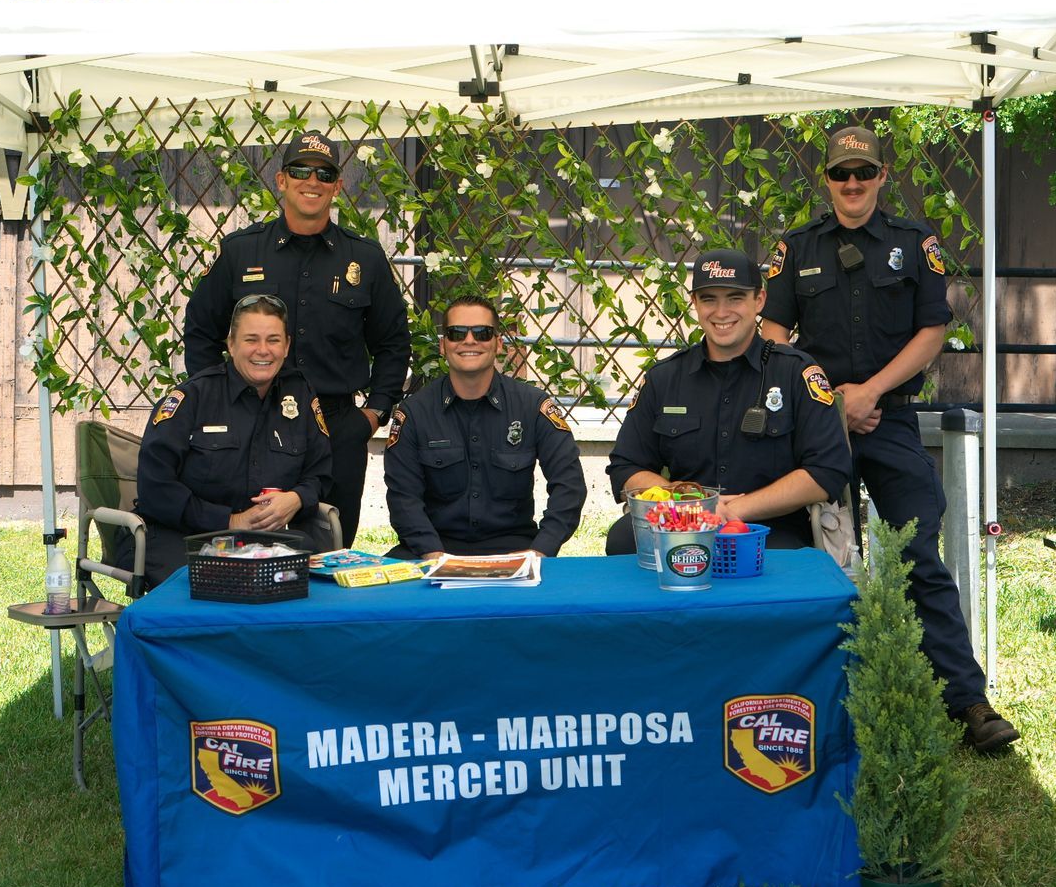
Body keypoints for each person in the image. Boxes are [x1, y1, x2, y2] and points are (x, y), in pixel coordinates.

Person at [762, 125, 1017, 754]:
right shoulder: (797, 248)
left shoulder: (914, 244)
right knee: (818, 556)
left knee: (917, 556)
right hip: (816, 425)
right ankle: (824, 698)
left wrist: (868, 393)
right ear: (825, 179)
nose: (852, 184)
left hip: (891, 418)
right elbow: (770, 332)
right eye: (840, 173)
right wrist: (829, 399)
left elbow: (932, 331)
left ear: (881, 176)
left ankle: (968, 701)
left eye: (863, 173)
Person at [181, 131, 408, 546]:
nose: (312, 181)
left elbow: (393, 343)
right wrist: (216, 397)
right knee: (249, 541)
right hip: (251, 420)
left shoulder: (365, 258)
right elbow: (200, 331)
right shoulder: (240, 252)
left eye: (325, 174)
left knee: (331, 547)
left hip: (336, 425)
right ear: (282, 180)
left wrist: (372, 415)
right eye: (300, 171)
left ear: (338, 186)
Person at [606, 246, 854, 554]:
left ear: (759, 300)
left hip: (771, 529)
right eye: (709, 299)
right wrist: (690, 502)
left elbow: (827, 470)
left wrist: (738, 510)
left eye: (735, 298)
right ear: (694, 303)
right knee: (621, 540)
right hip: (683, 525)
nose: (721, 312)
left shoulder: (796, 374)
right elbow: (626, 466)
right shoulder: (664, 379)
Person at [136, 293, 335, 582]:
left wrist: (295, 499)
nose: (263, 350)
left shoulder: (300, 395)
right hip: (187, 538)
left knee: (313, 589)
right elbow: (155, 488)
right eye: (251, 339)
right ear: (231, 344)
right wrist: (230, 520)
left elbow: (321, 474)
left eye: (273, 340)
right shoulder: (193, 398)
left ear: (287, 345)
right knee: (214, 592)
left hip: (265, 542)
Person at [383, 296, 587, 559]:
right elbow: (403, 499)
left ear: (498, 343)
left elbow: (569, 486)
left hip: (515, 551)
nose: (470, 341)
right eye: (457, 333)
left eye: (482, 333)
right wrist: (433, 555)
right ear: (443, 346)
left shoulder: (532, 407)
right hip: (434, 550)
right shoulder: (414, 413)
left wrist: (540, 552)